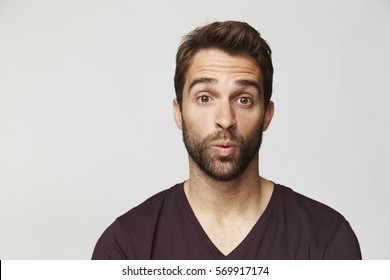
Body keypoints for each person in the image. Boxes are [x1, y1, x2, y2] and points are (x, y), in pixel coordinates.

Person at [92, 21, 361, 260]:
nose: (225, 119)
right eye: (205, 98)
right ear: (179, 113)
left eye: (243, 99)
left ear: (266, 115)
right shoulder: (124, 247)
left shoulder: (327, 239)